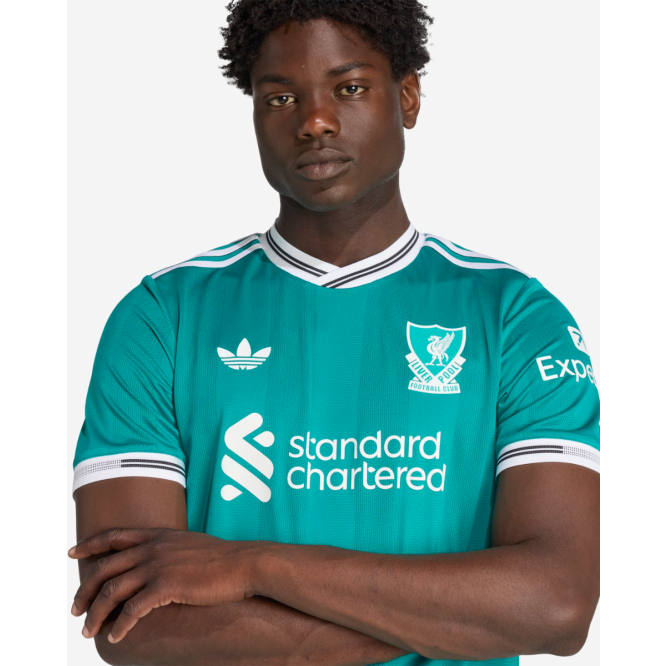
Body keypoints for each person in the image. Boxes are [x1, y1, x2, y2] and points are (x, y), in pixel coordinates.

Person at [69, 2, 601, 665]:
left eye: (349, 88)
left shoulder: (517, 318)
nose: (314, 121)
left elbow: (555, 608)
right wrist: (459, 618)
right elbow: (131, 625)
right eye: (280, 97)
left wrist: (250, 565)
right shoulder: (161, 318)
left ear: (408, 97)